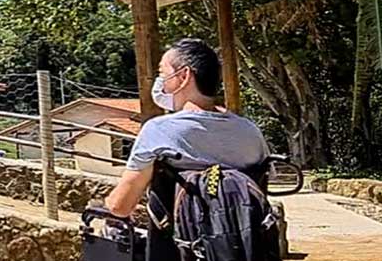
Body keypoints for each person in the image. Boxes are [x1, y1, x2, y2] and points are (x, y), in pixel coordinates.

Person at [104, 38, 270, 217]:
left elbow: (120, 207)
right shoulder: (250, 131)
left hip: (180, 243)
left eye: (162, 73)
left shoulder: (159, 131)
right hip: (245, 240)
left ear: (183, 76)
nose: (160, 81)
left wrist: (106, 202)